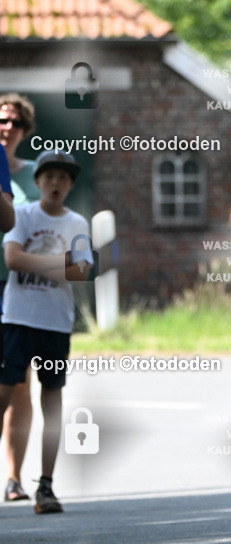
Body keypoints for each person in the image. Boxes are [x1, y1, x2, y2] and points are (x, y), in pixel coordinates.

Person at [1, 150, 91, 513]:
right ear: (37, 181)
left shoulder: (77, 223)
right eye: (49, 176)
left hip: (55, 323)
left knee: (52, 401)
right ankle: (12, 477)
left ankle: (46, 485)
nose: (56, 183)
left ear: (71, 185)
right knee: (4, 394)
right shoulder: (22, 215)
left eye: (64, 178)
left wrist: (39, 262)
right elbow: (13, 259)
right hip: (18, 319)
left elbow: (81, 271)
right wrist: (62, 262)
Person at [0, 93, 39, 503]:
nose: (7, 127)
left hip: (20, 285)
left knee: (20, 382)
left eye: (15, 122)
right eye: (2, 119)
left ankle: (14, 477)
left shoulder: (35, 175)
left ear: (25, 130)